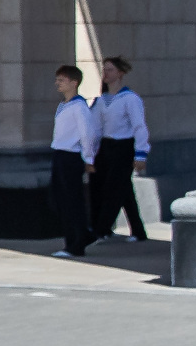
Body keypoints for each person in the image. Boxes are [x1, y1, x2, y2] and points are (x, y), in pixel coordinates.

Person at [92, 56, 150, 243]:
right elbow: (96, 127)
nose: (106, 74)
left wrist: (141, 153)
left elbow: (139, 127)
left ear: (120, 73)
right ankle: (138, 231)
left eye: (110, 70)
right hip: (106, 147)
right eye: (104, 70)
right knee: (119, 188)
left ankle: (100, 229)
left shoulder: (130, 99)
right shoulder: (102, 100)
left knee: (114, 188)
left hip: (123, 147)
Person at [48, 64, 97, 259]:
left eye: (62, 80)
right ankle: (79, 237)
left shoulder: (79, 106)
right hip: (60, 153)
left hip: (71, 156)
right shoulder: (63, 105)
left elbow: (87, 134)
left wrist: (88, 158)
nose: (57, 84)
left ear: (73, 83)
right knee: (61, 200)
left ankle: (76, 244)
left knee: (72, 201)